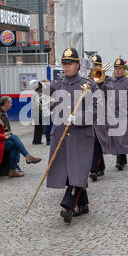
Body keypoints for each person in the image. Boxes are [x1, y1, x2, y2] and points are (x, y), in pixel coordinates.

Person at [47, 45, 99, 223]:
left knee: (76, 171)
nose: (66, 66)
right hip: (61, 133)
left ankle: (68, 206)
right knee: (71, 171)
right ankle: (83, 204)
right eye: (64, 63)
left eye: (70, 63)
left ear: (77, 65)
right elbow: (51, 101)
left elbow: (97, 110)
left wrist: (78, 118)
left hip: (81, 136)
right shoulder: (58, 83)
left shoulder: (89, 85)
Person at [0, 99, 41, 178]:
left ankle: (19, 164)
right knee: (14, 143)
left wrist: (4, 134)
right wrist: (4, 136)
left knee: (14, 140)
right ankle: (18, 165)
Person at [108, 56, 128, 171]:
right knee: (116, 137)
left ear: (124, 70)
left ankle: (119, 161)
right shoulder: (110, 81)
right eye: (116, 68)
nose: (117, 70)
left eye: (120, 68)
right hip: (113, 113)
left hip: (125, 113)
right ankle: (122, 158)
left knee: (122, 137)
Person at [0, 95, 41, 173]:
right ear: (6, 103)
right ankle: (25, 158)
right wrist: (7, 133)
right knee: (15, 140)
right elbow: (0, 130)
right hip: (0, 138)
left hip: (5, 136)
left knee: (15, 141)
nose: (11, 104)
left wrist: (8, 132)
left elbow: (7, 128)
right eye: (10, 102)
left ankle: (16, 165)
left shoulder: (4, 113)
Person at [89, 54, 113, 181]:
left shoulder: (107, 79)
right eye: (93, 65)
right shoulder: (87, 79)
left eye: (97, 65)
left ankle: (93, 169)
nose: (95, 67)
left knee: (97, 143)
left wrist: (101, 82)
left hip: (102, 116)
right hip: (89, 116)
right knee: (93, 143)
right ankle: (100, 167)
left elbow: (111, 92)